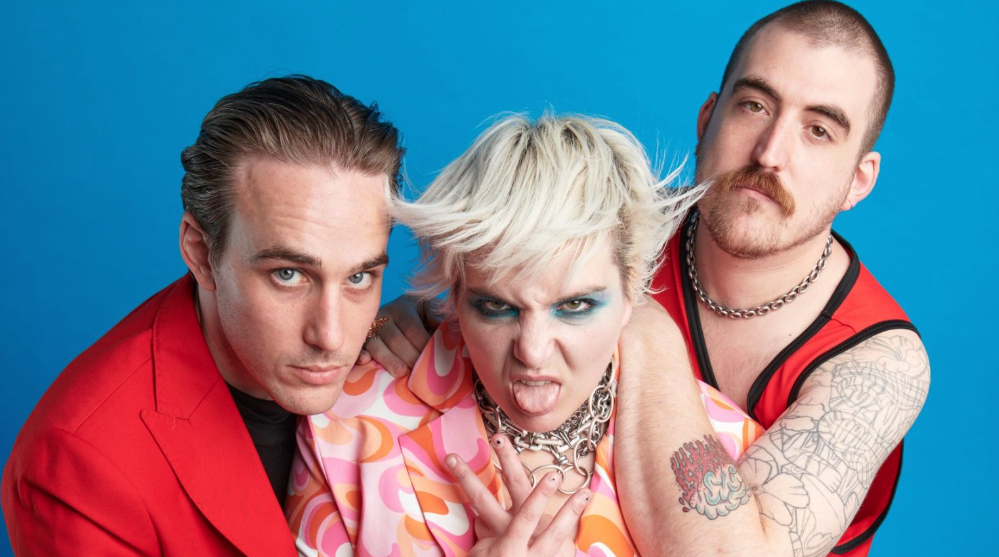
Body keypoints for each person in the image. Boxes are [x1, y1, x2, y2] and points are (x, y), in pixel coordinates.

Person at [367, 2, 930, 556]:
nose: (770, 153)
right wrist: (397, 315)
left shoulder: (878, 363)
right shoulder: (618, 228)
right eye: (755, 106)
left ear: (859, 180)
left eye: (819, 130)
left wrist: (643, 324)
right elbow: (478, 294)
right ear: (707, 119)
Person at [286, 113, 765, 557]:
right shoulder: (345, 425)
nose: (532, 352)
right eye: (497, 307)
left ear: (632, 288)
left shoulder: (728, 445)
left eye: (574, 306)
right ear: (455, 293)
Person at [1, 75, 404, 557]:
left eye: (358, 277)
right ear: (201, 253)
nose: (332, 336)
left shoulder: (405, 359)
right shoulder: (81, 462)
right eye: (288, 275)